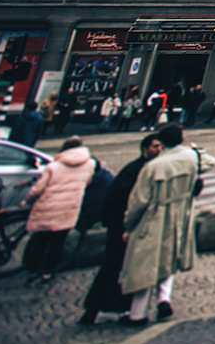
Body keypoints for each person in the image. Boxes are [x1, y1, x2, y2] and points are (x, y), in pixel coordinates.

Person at [120, 123, 198, 324]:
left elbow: (139, 201)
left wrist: (128, 225)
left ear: (162, 143)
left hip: (154, 217)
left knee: (145, 265)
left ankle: (138, 313)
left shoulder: (153, 166)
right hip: (180, 214)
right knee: (169, 259)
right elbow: (208, 162)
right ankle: (164, 298)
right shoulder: (191, 158)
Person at [81, 134, 160, 325]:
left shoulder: (138, 169)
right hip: (122, 227)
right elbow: (127, 200)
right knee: (115, 268)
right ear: (144, 149)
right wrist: (125, 227)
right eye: (155, 146)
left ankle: (116, 308)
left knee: (120, 268)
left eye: (160, 146)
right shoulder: (137, 171)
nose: (158, 150)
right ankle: (98, 309)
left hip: (123, 225)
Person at [20, 136, 98, 284]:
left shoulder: (53, 167)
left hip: (48, 208)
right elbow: (87, 182)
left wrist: (27, 201)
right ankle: (48, 273)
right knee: (58, 243)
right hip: (69, 208)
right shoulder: (90, 164)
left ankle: (32, 271)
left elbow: (38, 190)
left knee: (40, 242)